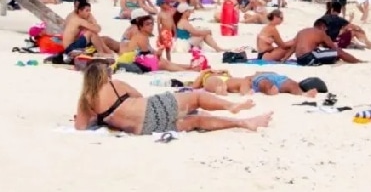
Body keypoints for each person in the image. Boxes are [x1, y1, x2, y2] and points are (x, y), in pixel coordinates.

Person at [75, 62, 272, 134]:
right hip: (153, 107)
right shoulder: (114, 85)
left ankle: (244, 123)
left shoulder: (86, 100)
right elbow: (138, 96)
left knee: (196, 120)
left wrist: (101, 118)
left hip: (144, 128)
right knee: (196, 97)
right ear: (103, 76)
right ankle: (231, 106)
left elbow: (81, 127)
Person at [293, 19, 363, 66]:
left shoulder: (302, 32)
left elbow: (293, 47)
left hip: (299, 60)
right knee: (339, 52)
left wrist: (284, 60)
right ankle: (357, 61)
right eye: (326, 28)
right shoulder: (321, 33)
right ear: (322, 26)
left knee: (320, 51)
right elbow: (334, 48)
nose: (326, 30)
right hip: (309, 58)